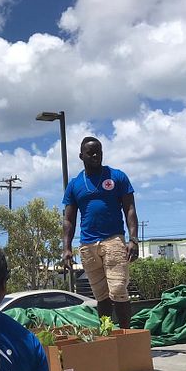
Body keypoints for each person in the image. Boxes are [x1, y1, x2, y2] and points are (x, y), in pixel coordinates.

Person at [63, 136, 138, 328]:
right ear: (81, 156)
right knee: (101, 296)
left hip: (113, 239)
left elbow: (129, 209)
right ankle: (107, 335)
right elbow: (68, 220)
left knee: (119, 290)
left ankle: (126, 336)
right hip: (88, 245)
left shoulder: (117, 176)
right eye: (91, 152)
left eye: (99, 151)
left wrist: (133, 239)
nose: (96, 155)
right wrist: (66, 248)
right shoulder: (74, 184)